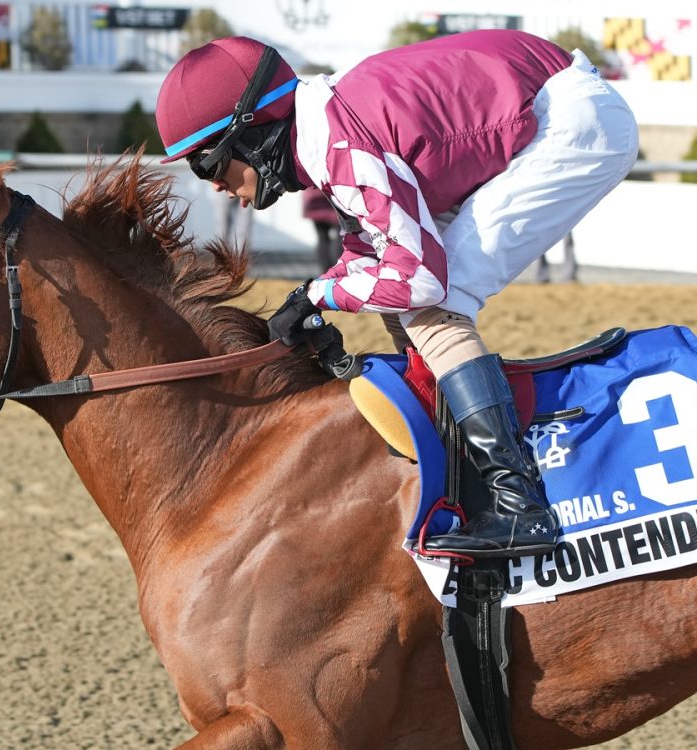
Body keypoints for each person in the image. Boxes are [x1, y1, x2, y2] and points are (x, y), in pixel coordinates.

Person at [155, 31, 638, 558]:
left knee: (436, 304)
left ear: (254, 132)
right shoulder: (329, 126)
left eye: (207, 163)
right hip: (541, 101)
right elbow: (370, 250)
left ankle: (520, 505)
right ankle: (448, 448)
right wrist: (309, 296)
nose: (214, 185)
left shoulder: (341, 142)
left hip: (571, 125)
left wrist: (320, 293)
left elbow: (418, 279)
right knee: (410, 299)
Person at [301, 187, 341, 271]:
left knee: (322, 238)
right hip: (333, 196)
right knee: (340, 236)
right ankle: (337, 270)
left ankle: (326, 272)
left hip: (314, 198)